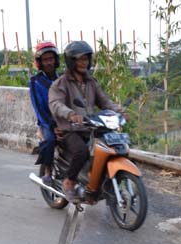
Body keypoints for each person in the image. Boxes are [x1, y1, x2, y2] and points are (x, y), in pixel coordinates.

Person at [49, 40, 126, 202]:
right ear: (71, 61)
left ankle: (95, 185)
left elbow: (104, 101)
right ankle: (69, 182)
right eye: (80, 59)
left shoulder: (91, 82)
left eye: (86, 59)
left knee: (106, 150)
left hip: (90, 127)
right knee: (82, 151)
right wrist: (70, 114)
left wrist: (120, 111)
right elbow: (56, 104)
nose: (84, 63)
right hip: (70, 129)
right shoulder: (60, 84)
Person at [29, 41, 60, 185]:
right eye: (45, 60)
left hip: (64, 118)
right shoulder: (36, 81)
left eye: (51, 59)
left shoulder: (62, 79)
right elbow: (38, 107)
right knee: (49, 140)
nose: (49, 63)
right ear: (40, 62)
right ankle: (48, 172)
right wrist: (51, 124)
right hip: (47, 122)